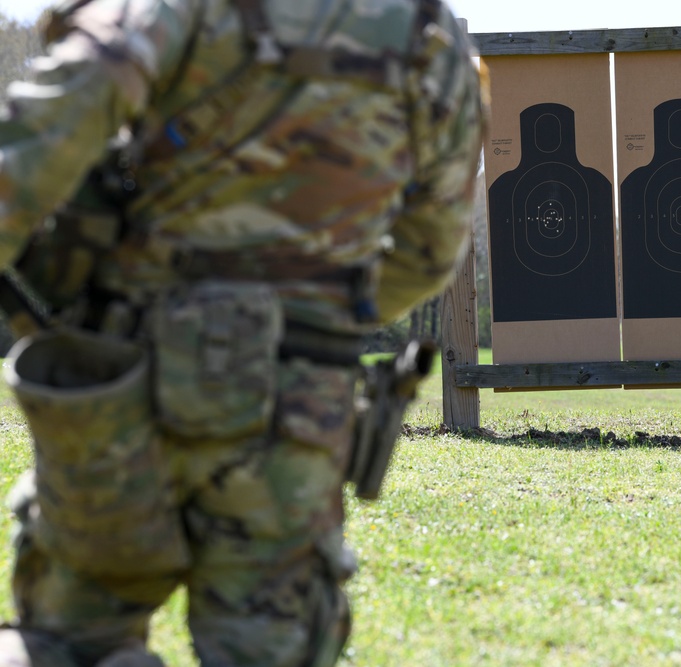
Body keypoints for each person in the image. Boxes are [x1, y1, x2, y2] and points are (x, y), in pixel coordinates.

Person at [0, 0, 485, 664]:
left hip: (122, 392)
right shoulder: (428, 32)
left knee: (68, 645)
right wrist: (310, 314)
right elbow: (431, 250)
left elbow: (47, 129)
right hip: (294, 417)